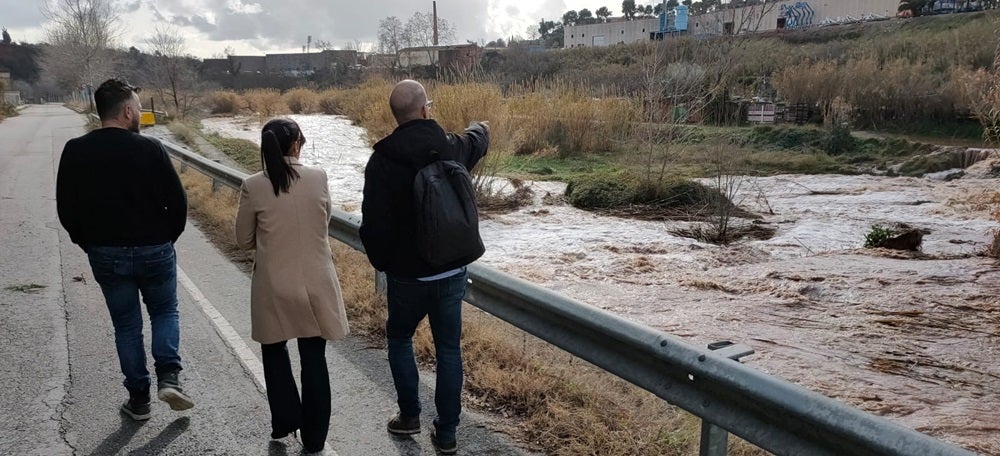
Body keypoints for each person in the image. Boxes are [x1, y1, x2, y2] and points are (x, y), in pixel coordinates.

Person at [359, 79, 489, 455]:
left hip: (407, 277)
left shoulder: (382, 161)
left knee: (400, 338)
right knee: (448, 349)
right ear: (424, 109)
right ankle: (446, 434)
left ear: (396, 116)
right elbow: (477, 140)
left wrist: (385, 264)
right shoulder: (449, 146)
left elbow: (373, 225)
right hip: (451, 272)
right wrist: (481, 126)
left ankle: (409, 416)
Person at [56, 77, 192, 420]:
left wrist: (88, 243)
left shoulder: (75, 150)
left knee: (127, 326)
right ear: (127, 111)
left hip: (106, 252)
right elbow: (178, 203)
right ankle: (169, 378)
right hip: (155, 248)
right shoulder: (151, 149)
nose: (141, 114)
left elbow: (66, 208)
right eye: (139, 109)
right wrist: (167, 238)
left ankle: (139, 399)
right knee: (165, 312)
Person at [235, 118, 350, 455]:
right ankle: (314, 439)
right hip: (317, 283)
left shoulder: (253, 185)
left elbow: (243, 239)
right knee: (314, 358)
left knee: (274, 350)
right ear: (297, 144)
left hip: (274, 285)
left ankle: (285, 419)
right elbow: (323, 223)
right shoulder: (318, 177)